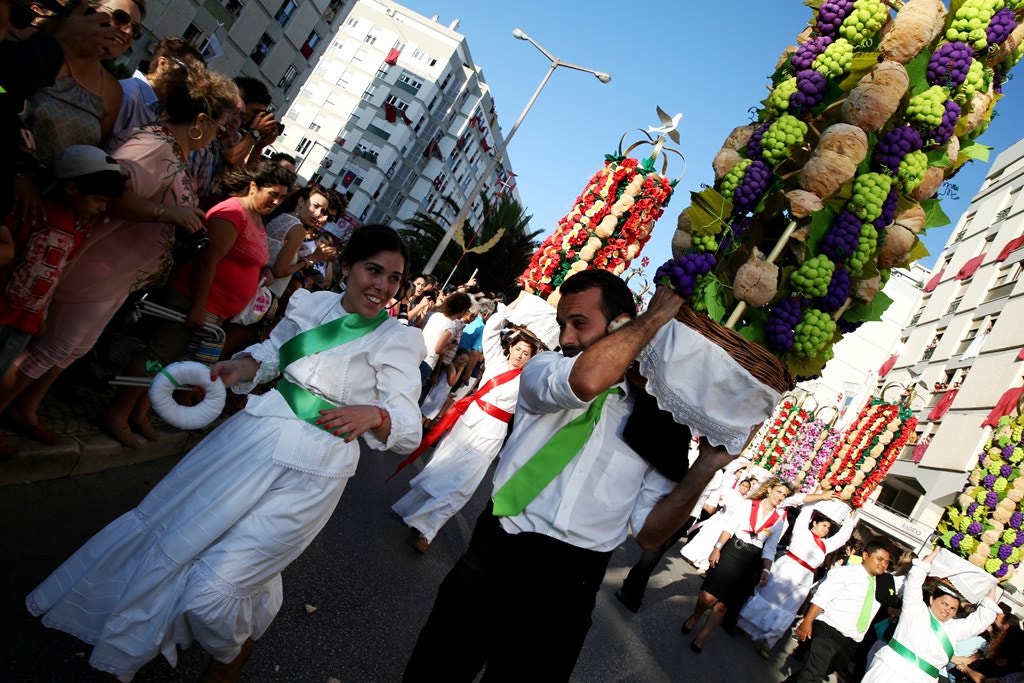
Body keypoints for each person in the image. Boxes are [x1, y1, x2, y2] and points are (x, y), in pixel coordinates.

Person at [26, 225, 424, 682]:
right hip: (251, 440)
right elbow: (273, 356)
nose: (383, 286)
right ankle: (222, 651)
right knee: (189, 536)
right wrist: (238, 368)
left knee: (216, 589)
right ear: (348, 267)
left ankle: (229, 653)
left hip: (315, 471)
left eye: (394, 278)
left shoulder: (398, 338)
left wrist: (373, 414)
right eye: (374, 270)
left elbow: (407, 424)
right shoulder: (310, 305)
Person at [403, 270, 686, 682]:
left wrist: (713, 462)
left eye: (579, 324)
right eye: (562, 325)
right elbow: (588, 380)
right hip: (495, 558)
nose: (567, 337)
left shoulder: (658, 423)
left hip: (570, 591)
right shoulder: (545, 369)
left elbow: (650, 534)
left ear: (621, 322)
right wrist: (653, 320)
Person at [0, 62, 237, 447]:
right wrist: (167, 213)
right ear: (199, 120)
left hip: (116, 273)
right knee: (53, 347)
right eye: (220, 125)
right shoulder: (155, 145)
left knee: (73, 348)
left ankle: (24, 409)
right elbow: (109, 192)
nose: (218, 136)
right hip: (96, 265)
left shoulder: (172, 150)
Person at [98, 161, 295, 446]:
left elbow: (248, 258)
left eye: (281, 197)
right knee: (157, 357)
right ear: (253, 186)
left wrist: (260, 271)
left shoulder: (256, 216)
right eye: (272, 193)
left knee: (171, 361)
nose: (276, 201)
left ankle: (138, 412)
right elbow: (206, 262)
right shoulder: (233, 213)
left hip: (215, 309)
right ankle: (116, 413)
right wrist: (198, 307)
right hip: (194, 300)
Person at [0, 145, 128, 457]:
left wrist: (41, 311)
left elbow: (53, 273)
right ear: (71, 188)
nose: (101, 208)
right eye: (98, 200)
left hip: (25, 319)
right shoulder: (28, 210)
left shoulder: (76, 225)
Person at [393, 299, 544, 554]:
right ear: (511, 348)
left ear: (531, 358)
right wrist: (514, 312)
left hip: (492, 433)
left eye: (526, 353)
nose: (520, 354)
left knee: (462, 484)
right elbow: (493, 328)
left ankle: (428, 532)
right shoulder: (495, 360)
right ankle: (414, 513)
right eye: (518, 348)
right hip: (468, 422)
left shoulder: (530, 379)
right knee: (440, 468)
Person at [682, 479, 834, 654]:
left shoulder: (778, 520)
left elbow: (769, 548)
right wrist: (717, 548)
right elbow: (730, 528)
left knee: (723, 605)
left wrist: (765, 569)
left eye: (784, 495)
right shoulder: (749, 505)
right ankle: (696, 615)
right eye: (779, 492)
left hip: (752, 560)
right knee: (708, 597)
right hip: (733, 551)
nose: (781, 497)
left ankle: (701, 638)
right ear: (769, 490)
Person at [615, 467, 753, 613]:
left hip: (675, 506)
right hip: (689, 515)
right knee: (656, 551)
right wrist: (702, 499)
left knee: (653, 550)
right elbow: (711, 508)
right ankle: (631, 586)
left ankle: (633, 595)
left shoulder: (699, 461)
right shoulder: (717, 473)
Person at [26, 0, 146, 166]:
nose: (128, 31)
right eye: (120, 17)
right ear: (87, 8)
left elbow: (85, 158)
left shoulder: (112, 92)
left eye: (136, 29)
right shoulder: (37, 43)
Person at [862, 548, 1001, 683]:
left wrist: (992, 583)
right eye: (944, 604)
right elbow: (914, 580)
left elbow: (984, 618)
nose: (947, 610)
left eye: (953, 608)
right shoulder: (915, 609)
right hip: (889, 671)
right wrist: (936, 552)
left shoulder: (955, 628)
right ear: (932, 599)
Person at [738, 503, 858, 658]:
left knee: (788, 610)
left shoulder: (825, 545)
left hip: (805, 579)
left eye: (828, 528)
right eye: (823, 525)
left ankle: (767, 644)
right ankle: (744, 623)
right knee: (766, 597)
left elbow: (841, 538)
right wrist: (819, 497)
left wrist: (849, 522)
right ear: (814, 522)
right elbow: (806, 511)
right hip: (786, 570)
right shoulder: (802, 531)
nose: (825, 529)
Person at [785, 539, 893, 683]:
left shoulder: (881, 585)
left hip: (851, 642)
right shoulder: (845, 573)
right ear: (866, 556)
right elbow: (822, 598)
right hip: (828, 630)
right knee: (814, 675)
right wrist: (807, 621)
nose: (883, 564)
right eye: (879, 559)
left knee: (815, 671)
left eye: (887, 562)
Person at [110, 36, 205, 136]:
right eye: (186, 73)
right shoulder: (126, 95)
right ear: (163, 63)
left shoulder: (161, 110)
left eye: (195, 79)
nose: (190, 82)